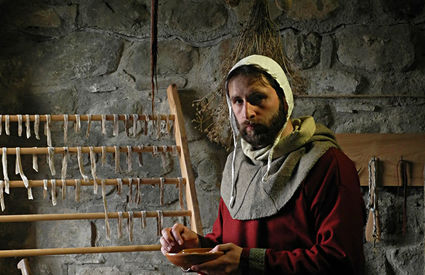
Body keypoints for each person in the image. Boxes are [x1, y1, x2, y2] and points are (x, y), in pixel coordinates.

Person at [160, 55, 365, 274]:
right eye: (237, 101)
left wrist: (249, 261)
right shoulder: (235, 166)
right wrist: (199, 247)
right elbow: (229, 246)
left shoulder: (327, 164)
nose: (247, 112)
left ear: (285, 101)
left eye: (257, 98)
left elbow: (342, 262)